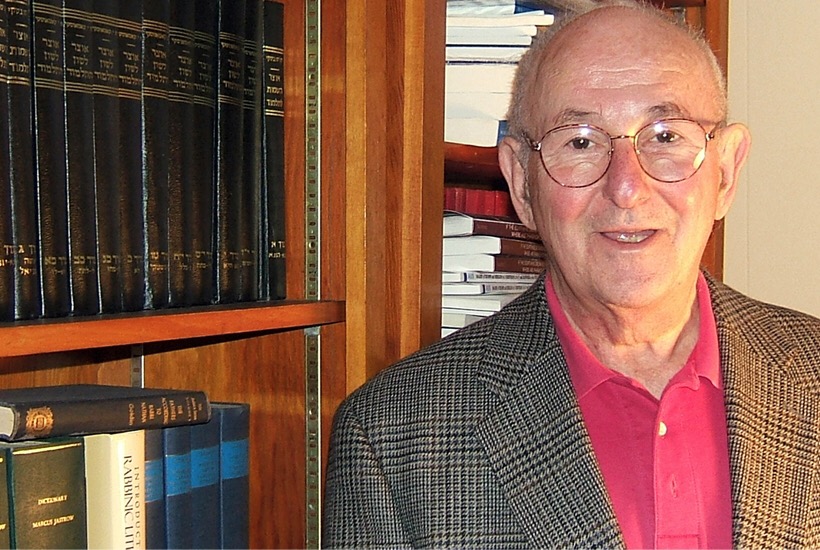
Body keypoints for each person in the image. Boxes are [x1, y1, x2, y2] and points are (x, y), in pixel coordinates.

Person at [322, 1, 820, 548]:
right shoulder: (391, 437)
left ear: (724, 172)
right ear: (522, 183)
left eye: (665, 136)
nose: (626, 188)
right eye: (580, 141)